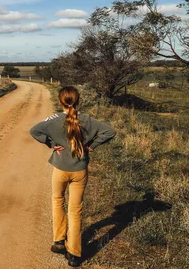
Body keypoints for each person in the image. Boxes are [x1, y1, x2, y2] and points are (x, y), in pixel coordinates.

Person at [29, 86, 116, 267]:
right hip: (80, 170)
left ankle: (59, 241)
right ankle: (74, 254)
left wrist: (52, 143)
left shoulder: (54, 120)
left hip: (60, 169)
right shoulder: (87, 119)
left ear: (60, 101)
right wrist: (91, 145)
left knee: (58, 201)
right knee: (75, 211)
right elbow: (109, 131)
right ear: (78, 101)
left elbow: (34, 131)